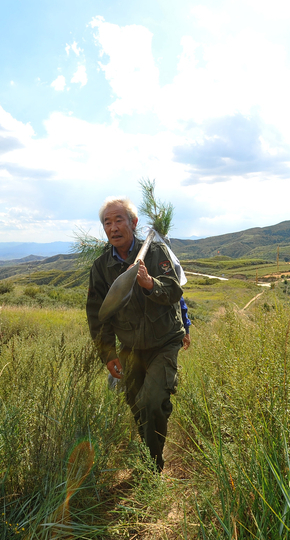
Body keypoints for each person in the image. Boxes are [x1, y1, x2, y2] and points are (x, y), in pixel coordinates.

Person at [86, 196, 186, 472]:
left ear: (133, 223)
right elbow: (98, 315)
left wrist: (149, 282)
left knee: (152, 401)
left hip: (164, 341)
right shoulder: (101, 268)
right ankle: (149, 453)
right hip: (130, 346)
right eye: (107, 222)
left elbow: (175, 292)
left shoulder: (155, 254)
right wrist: (108, 353)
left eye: (119, 220)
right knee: (135, 404)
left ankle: (152, 468)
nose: (113, 227)